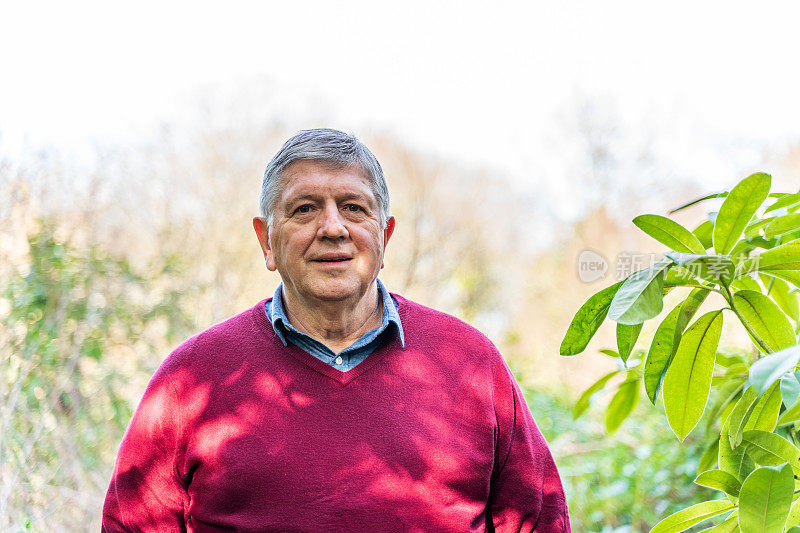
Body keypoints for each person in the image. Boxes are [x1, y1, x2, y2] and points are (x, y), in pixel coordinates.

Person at [102, 128, 570, 532]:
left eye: (353, 207)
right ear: (267, 241)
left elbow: (538, 521)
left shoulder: (469, 363)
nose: (332, 228)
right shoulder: (193, 379)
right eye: (304, 209)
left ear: (384, 236)